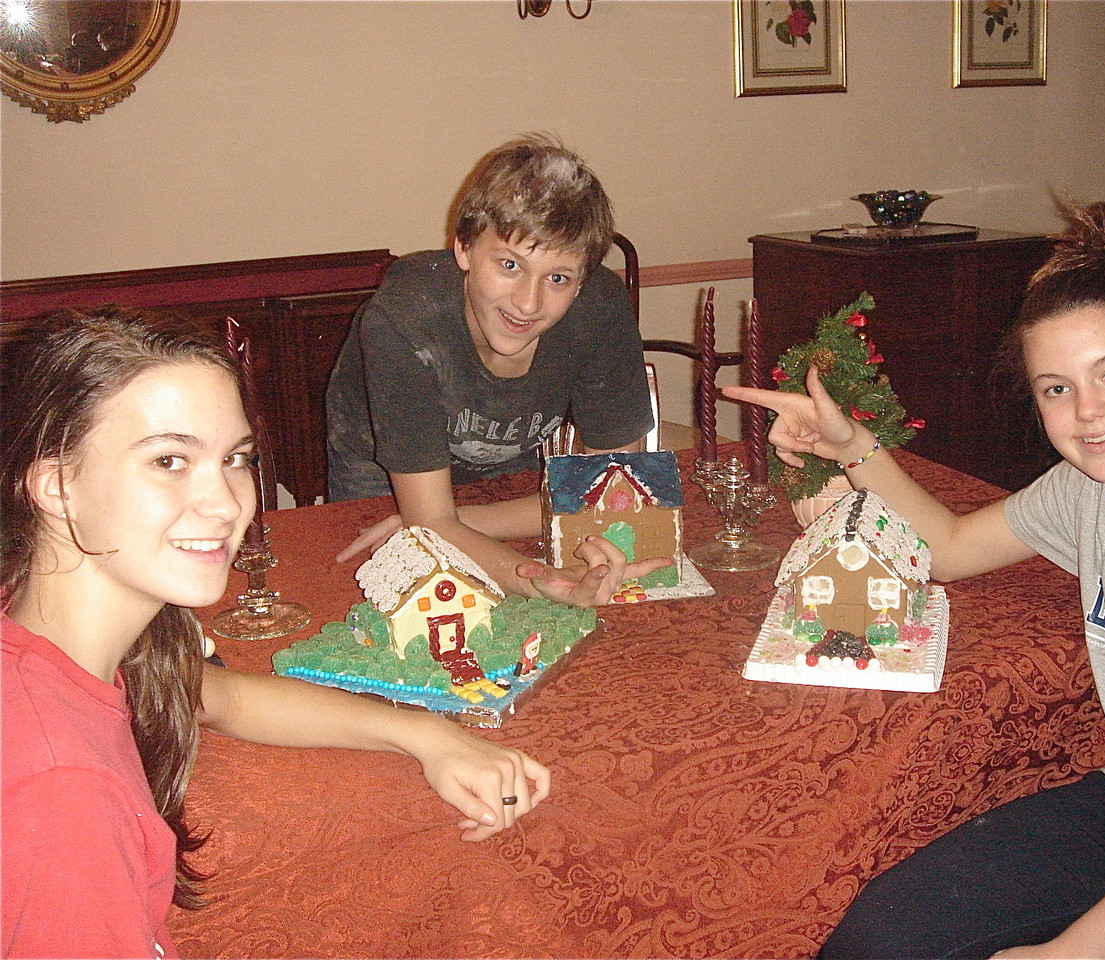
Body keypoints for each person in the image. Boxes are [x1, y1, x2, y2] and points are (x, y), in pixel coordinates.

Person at [724, 200, 1105, 959]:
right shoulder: (1090, 489)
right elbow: (947, 546)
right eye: (1056, 388)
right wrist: (851, 444)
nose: (1088, 412)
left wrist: (1070, 953)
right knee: (884, 935)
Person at [1, 308, 552, 959]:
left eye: (235, 458)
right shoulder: (61, 791)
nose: (229, 502)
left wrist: (428, 734)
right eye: (170, 460)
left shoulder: (59, 637)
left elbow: (213, 695)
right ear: (56, 486)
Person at [326, 133, 667, 607]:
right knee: (398, 602)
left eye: (558, 278)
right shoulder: (403, 322)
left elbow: (611, 485)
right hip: (381, 476)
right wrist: (545, 583)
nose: (528, 303)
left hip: (510, 474)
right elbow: (427, 522)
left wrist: (456, 520)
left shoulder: (600, 309)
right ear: (463, 248)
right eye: (509, 264)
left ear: (584, 280)